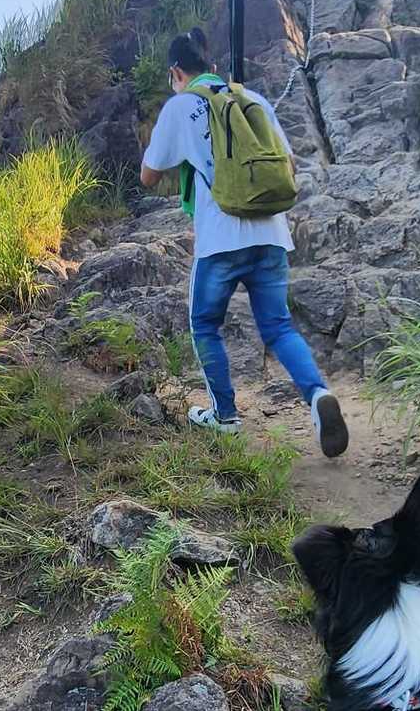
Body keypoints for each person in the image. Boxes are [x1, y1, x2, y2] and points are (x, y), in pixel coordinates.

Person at [139, 29, 349, 458]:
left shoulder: (180, 105)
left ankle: (226, 417)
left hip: (221, 237)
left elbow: (148, 176)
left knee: (204, 324)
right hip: (270, 233)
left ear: (176, 72)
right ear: (213, 67)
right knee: (279, 326)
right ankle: (317, 394)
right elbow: (287, 164)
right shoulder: (252, 99)